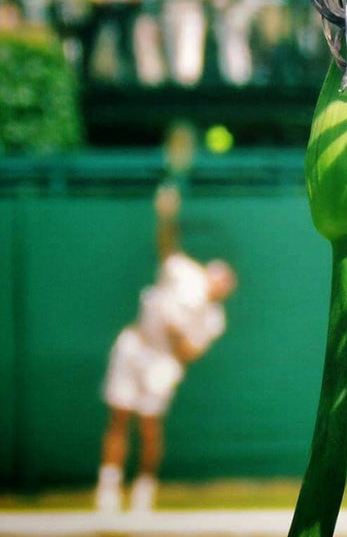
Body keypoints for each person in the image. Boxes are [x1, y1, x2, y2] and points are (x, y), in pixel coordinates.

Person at [96, 185, 237, 512]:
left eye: (226, 284)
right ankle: (108, 489)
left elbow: (190, 353)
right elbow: (165, 244)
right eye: (218, 278)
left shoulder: (215, 319)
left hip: (163, 363)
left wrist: (174, 335)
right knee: (118, 418)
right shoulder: (184, 271)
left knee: (149, 426)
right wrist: (166, 213)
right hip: (133, 346)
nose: (220, 284)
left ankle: (143, 493)